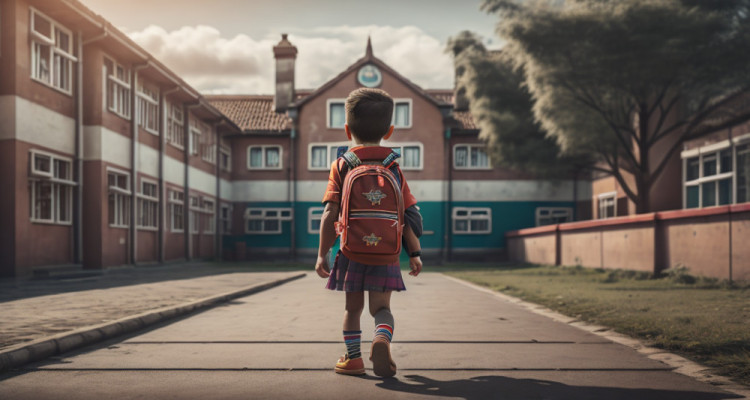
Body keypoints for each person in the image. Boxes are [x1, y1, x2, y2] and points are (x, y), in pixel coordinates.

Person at [315, 88, 423, 378]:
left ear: (347, 129)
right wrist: (414, 253)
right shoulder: (394, 168)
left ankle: (353, 360)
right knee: (381, 308)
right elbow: (407, 217)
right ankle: (381, 339)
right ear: (389, 131)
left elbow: (329, 215)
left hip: (351, 252)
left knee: (353, 309)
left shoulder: (342, 165)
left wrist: (322, 253)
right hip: (386, 253)